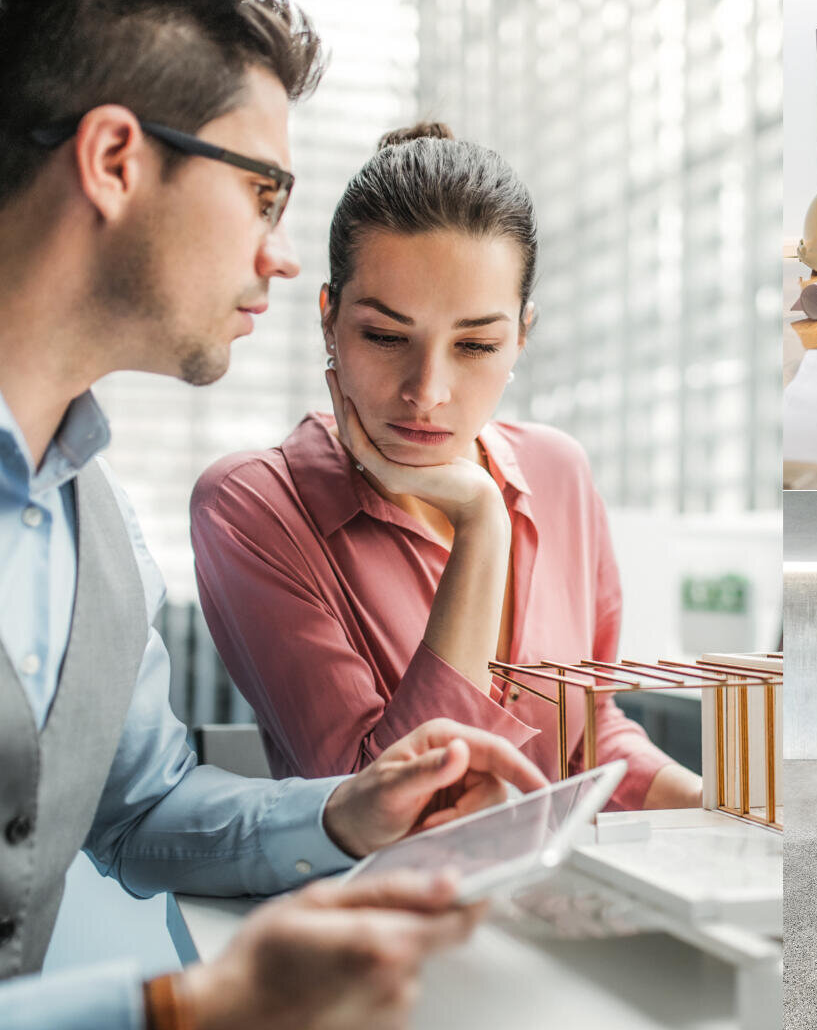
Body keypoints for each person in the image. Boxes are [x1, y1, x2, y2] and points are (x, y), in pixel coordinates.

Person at [0, 0, 547, 1028]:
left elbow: (146, 808)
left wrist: (347, 810)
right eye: (262, 193)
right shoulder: (240, 507)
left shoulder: (95, 528)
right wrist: (175, 1009)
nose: (283, 257)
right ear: (114, 159)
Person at [190, 125, 704, 811]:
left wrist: (724, 807)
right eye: (384, 336)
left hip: (551, 899)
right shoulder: (252, 505)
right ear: (328, 319)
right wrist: (480, 521)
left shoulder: (558, 470)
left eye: (476, 344)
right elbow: (392, 807)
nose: (427, 391)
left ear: (520, 335)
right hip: (388, 908)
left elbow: (590, 740)